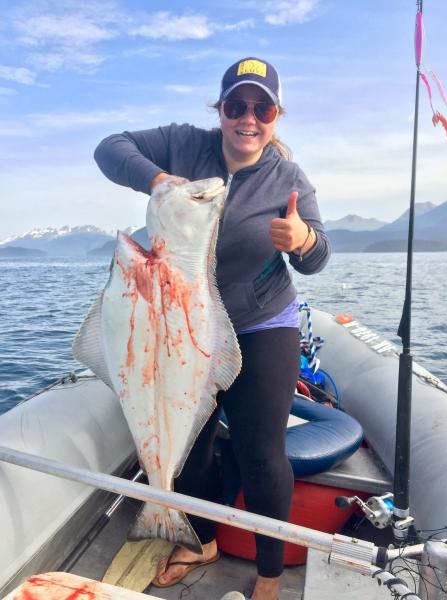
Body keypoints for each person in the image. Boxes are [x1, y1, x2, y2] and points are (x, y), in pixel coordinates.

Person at [94, 57, 330, 600]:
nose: (248, 118)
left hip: (260, 323)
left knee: (261, 451)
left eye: (262, 107)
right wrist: (156, 178)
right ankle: (200, 540)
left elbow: (318, 257)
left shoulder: (288, 177)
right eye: (236, 106)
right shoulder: (183, 144)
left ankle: (270, 572)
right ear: (219, 110)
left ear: (276, 116)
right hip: (179, 325)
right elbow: (109, 148)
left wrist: (302, 241)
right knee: (194, 442)